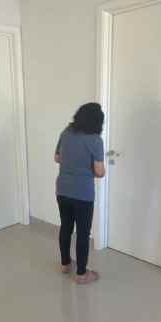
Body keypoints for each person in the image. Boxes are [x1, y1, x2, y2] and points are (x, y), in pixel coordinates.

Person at [55, 102, 105, 284]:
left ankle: (65, 264)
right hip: (83, 194)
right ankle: (82, 274)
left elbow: (57, 157)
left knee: (66, 227)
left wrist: (72, 163)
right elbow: (99, 172)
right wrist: (87, 167)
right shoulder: (95, 140)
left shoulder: (66, 133)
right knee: (83, 233)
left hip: (62, 190)